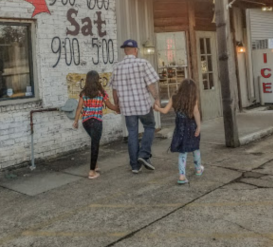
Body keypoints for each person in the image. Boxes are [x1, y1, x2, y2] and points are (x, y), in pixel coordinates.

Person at [110, 39, 160, 174]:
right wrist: (156, 99)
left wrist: (117, 105)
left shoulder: (117, 67)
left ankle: (134, 166)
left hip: (127, 107)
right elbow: (150, 85)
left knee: (132, 133)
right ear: (136, 50)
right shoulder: (143, 63)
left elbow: (114, 90)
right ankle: (143, 155)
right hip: (143, 104)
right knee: (149, 126)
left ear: (125, 51)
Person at [154, 78, 204, 184]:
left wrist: (157, 108)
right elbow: (196, 113)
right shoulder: (193, 99)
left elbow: (165, 110)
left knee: (183, 151)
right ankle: (198, 169)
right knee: (195, 148)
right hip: (191, 128)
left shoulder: (174, 98)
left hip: (180, 129)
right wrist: (199, 126)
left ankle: (182, 176)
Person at [73, 70, 119, 179]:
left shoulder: (83, 93)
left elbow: (79, 108)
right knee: (95, 144)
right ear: (97, 80)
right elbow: (109, 106)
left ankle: (95, 165)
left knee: (94, 142)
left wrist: (75, 121)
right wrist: (118, 109)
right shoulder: (101, 93)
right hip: (97, 121)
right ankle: (92, 172)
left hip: (86, 122)